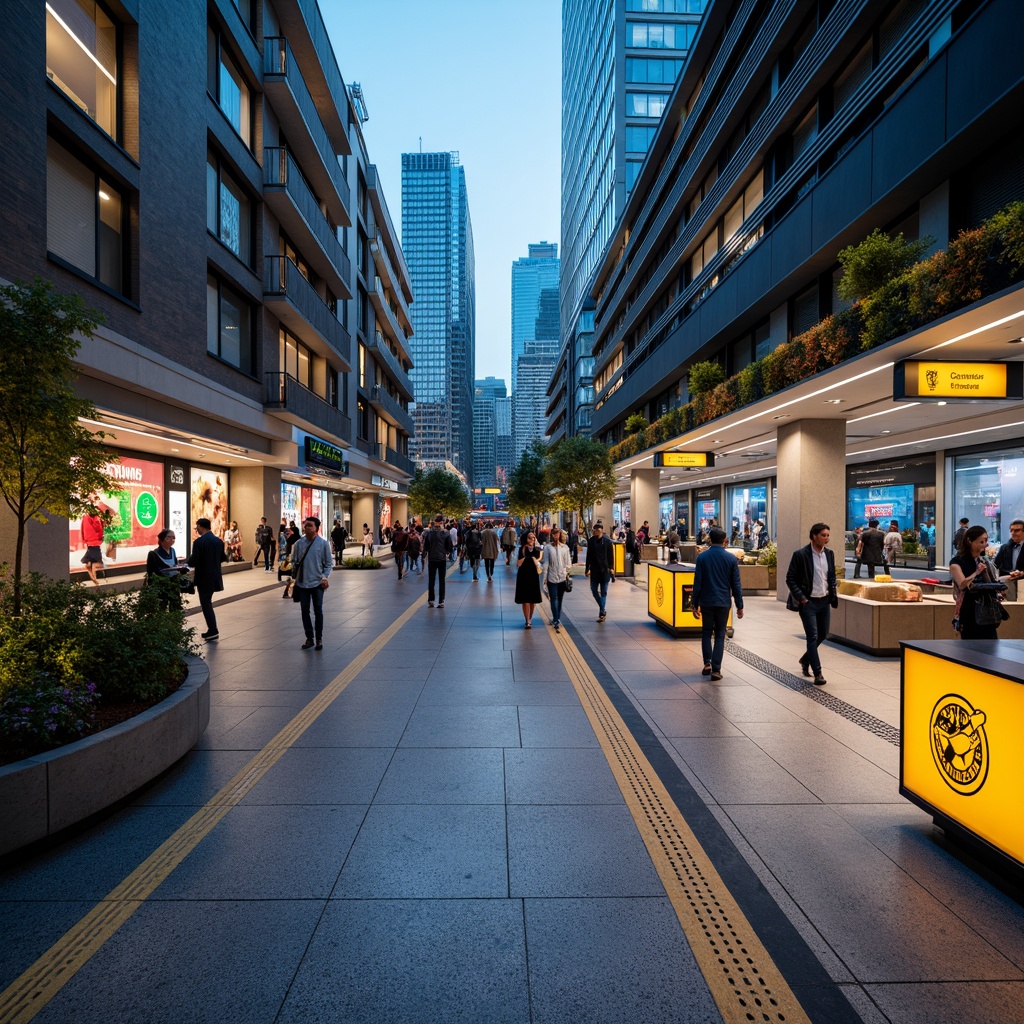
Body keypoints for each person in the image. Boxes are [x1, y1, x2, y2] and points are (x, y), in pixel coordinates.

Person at [785, 522, 838, 685]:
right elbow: (790, 578)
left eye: (828, 535)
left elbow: (831, 576)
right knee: (812, 637)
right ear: (814, 536)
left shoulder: (829, 554)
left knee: (823, 634)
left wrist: (832, 593)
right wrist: (802, 598)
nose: (826, 538)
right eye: (823, 535)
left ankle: (805, 659)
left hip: (824, 600)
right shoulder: (800, 554)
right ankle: (818, 673)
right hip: (808, 602)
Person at [691, 527, 744, 680]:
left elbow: (698, 582)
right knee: (720, 634)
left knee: (706, 632)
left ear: (710, 539)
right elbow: (736, 585)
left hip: (706, 601)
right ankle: (716, 669)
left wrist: (695, 603)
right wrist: (739, 606)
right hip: (723, 602)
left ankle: (707, 663)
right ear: (724, 540)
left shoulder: (702, 558)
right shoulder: (731, 559)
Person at [291, 516, 332, 650]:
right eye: (306, 525)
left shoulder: (323, 544)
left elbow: (328, 564)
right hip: (302, 583)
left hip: (317, 584)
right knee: (304, 610)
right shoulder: (298, 544)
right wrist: (293, 576)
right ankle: (309, 638)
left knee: (318, 610)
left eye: (310, 526)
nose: (307, 528)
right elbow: (294, 561)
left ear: (316, 529)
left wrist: (324, 576)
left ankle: (319, 638)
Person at [189, 517, 226, 640]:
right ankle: (212, 629)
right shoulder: (218, 541)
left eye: (197, 527)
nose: (196, 530)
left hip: (203, 577)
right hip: (215, 576)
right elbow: (223, 558)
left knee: (206, 604)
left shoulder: (199, 542)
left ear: (200, 526)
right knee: (207, 602)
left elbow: (194, 561)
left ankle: (213, 629)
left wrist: (185, 563)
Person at [541, 527, 571, 632]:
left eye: (557, 534)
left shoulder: (565, 548)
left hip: (562, 578)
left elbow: (568, 563)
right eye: (554, 534)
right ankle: (555, 618)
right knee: (553, 599)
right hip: (551, 577)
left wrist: (566, 573)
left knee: (560, 599)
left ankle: (557, 617)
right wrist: (544, 579)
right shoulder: (548, 548)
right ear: (551, 535)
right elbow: (545, 563)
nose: (556, 536)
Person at [585, 521, 616, 622]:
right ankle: (602, 609)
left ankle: (602, 612)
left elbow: (611, 557)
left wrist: (611, 568)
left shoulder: (607, 542)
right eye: (593, 531)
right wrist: (587, 568)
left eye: (595, 531)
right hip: (594, 570)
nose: (594, 532)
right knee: (594, 590)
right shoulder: (591, 541)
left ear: (600, 531)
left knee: (604, 592)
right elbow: (588, 556)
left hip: (605, 571)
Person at [423, 515, 453, 607]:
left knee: (431, 580)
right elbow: (449, 547)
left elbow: (426, 547)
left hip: (432, 558)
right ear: (442, 522)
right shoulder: (446, 533)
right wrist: (446, 552)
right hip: (442, 559)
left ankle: (431, 600)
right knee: (441, 580)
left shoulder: (429, 533)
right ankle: (441, 601)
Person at [515, 530, 543, 628]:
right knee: (525, 599)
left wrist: (537, 547)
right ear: (526, 539)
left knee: (533, 599)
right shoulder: (522, 549)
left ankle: (530, 618)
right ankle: (527, 620)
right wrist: (527, 557)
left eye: (533, 537)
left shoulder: (537, 549)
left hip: (533, 575)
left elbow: (540, 557)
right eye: (530, 537)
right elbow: (518, 563)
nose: (532, 539)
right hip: (523, 574)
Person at [80, 508, 106, 586]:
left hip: (90, 544)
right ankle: (95, 580)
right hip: (95, 544)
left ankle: (95, 580)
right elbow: (98, 530)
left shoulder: (85, 518)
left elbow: (83, 530)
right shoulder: (95, 518)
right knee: (98, 563)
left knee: (89, 564)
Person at [280, 524, 301, 597]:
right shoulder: (299, 539)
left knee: (292, 576)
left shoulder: (291, 538)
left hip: (290, 559)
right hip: (298, 561)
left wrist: (287, 559)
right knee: (295, 577)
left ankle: (288, 591)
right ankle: (291, 592)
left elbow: (288, 550)